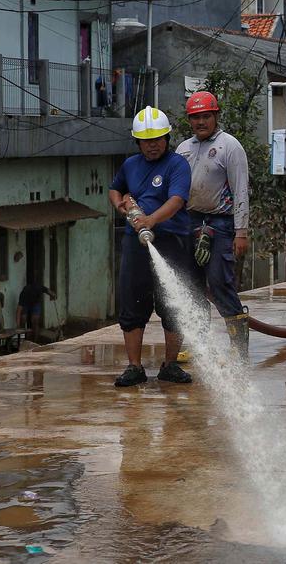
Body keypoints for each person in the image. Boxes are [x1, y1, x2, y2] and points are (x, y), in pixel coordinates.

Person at [109, 106, 195, 388]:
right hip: (136, 245)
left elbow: (177, 200)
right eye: (146, 140)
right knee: (132, 301)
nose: (153, 144)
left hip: (171, 241)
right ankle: (134, 367)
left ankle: (170, 365)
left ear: (167, 137)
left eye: (157, 138)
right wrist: (121, 206)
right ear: (138, 142)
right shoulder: (130, 165)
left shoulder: (177, 165)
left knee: (173, 303)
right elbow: (115, 189)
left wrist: (151, 220)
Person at [176, 90, 251, 357]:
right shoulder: (183, 148)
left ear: (216, 116)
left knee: (219, 281)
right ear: (189, 121)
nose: (201, 122)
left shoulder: (230, 146)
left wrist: (241, 232)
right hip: (191, 221)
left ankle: (238, 344)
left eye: (206, 116)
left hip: (221, 222)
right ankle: (198, 343)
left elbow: (241, 190)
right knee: (193, 284)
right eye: (195, 118)